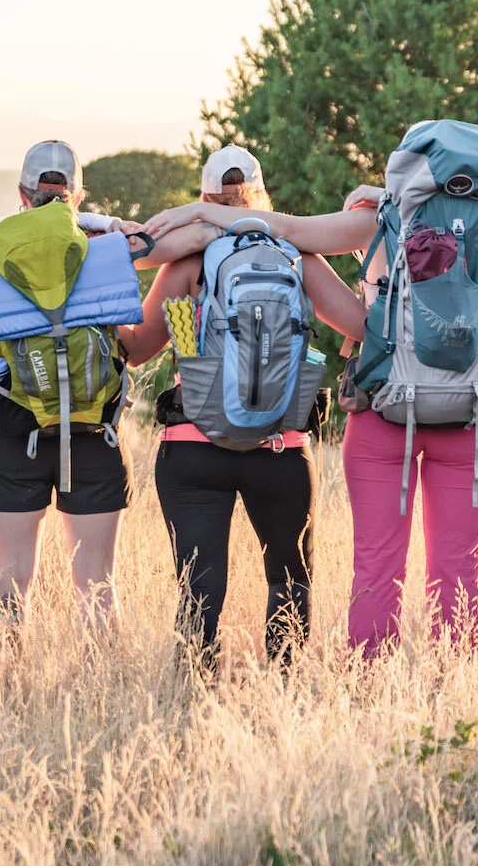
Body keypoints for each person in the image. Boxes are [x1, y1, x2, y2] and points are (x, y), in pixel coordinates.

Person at [144, 132, 478, 657]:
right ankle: (441, 682)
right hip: (430, 422)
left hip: (320, 423)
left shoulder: (375, 222)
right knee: (443, 564)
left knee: (366, 562)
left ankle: (359, 680)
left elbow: (140, 344)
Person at [112, 147, 368, 668]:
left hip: (193, 444)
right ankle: (284, 699)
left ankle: (196, 708)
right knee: (289, 579)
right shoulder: (297, 255)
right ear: (260, 196)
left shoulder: (187, 262)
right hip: (281, 446)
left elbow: (136, 350)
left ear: (205, 200)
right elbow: (361, 326)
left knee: (200, 592)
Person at [0, 141, 152, 629]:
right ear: (76, 193)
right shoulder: (103, 251)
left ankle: (4, 695)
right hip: (95, 435)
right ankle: (108, 698)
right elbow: (134, 346)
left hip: (14, 436)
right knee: (97, 587)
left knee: (9, 584)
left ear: (22, 194)